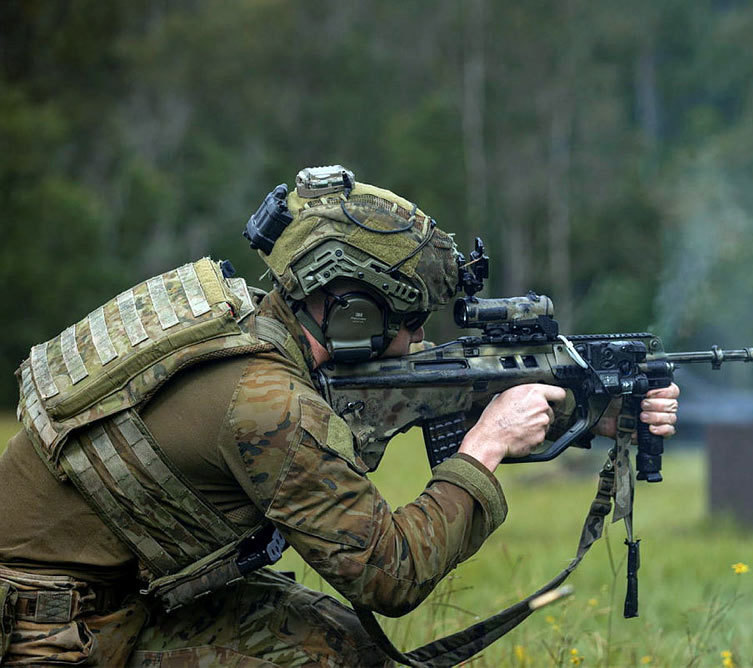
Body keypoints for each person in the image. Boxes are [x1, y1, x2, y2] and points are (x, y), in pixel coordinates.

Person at [0, 165, 680, 666]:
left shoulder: (246, 324)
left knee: (342, 649)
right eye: (408, 321)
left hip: (107, 593)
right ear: (353, 311)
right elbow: (391, 573)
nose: (417, 343)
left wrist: (593, 415)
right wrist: (487, 445)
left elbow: (400, 395)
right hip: (51, 632)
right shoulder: (269, 405)